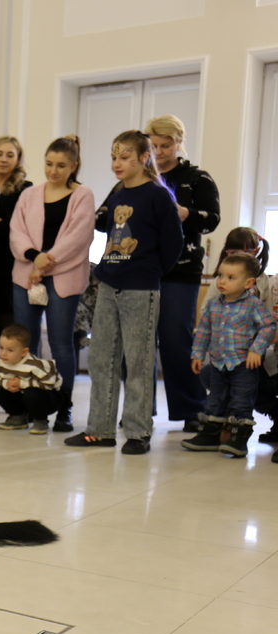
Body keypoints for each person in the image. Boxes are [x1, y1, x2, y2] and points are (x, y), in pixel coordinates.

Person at [65, 131, 183, 455]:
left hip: (140, 287)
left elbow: (174, 243)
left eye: (125, 157)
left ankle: (137, 431)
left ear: (144, 158)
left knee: (138, 362)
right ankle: (100, 429)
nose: (117, 163)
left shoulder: (158, 196)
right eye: (114, 157)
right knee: (102, 359)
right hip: (108, 282)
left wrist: (151, 271)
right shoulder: (117, 195)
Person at [9, 135, 95, 433]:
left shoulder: (82, 195)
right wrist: (34, 258)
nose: (53, 171)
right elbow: (16, 232)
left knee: (61, 344)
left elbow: (79, 235)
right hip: (26, 276)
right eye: (48, 164)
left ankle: (63, 408)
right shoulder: (29, 194)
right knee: (27, 345)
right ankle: (28, 407)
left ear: (74, 166)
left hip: (63, 275)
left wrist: (47, 261)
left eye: (60, 165)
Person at [147, 114, 221, 431]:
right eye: (154, 145)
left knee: (177, 340)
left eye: (166, 145)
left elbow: (212, 219)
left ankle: (191, 410)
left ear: (179, 143)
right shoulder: (138, 175)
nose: (160, 152)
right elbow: (105, 217)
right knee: (138, 344)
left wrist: (184, 213)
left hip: (182, 271)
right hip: (142, 270)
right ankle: (138, 409)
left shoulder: (197, 178)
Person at [182, 253, 276, 457]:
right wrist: (197, 354)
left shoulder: (254, 305)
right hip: (218, 363)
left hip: (243, 365)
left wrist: (256, 349)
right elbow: (204, 330)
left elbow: (268, 327)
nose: (222, 281)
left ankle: (239, 437)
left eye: (231, 277)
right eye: (221, 275)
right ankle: (210, 434)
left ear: (249, 283)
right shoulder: (215, 305)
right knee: (215, 399)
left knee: (241, 401)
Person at [0, 135, 32, 334]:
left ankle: (14, 366)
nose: (3, 159)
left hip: (10, 266)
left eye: (10, 155)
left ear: (18, 160)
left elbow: (17, 226)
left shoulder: (26, 189)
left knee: (10, 328)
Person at [0, 323, 61, 435]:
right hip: (25, 396)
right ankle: (18, 417)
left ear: (23, 352)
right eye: (1, 348)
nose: (3, 353)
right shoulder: (1, 362)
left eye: (10, 350)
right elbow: (0, 378)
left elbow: (49, 384)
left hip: (49, 398)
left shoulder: (34, 366)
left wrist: (22, 384)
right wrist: (7, 384)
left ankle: (41, 421)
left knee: (31, 392)